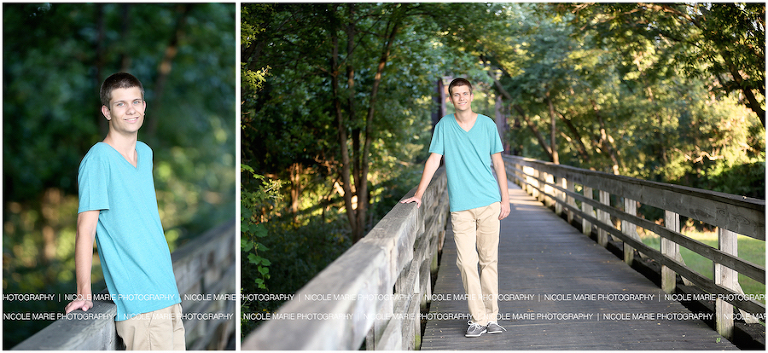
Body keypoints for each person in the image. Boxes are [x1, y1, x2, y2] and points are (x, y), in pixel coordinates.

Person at [64, 72, 186, 350]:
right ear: (106, 111)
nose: (131, 109)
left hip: (168, 294)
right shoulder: (98, 160)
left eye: (136, 101)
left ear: (144, 106)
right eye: (120, 104)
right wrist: (84, 292)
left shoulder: (145, 153)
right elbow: (86, 230)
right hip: (141, 305)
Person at [401, 77, 510, 338]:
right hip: (460, 206)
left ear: (471, 96)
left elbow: (499, 164)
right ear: (450, 99)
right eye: (456, 94)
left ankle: (491, 317)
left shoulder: (487, 124)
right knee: (465, 263)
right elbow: (434, 160)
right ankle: (477, 318)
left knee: (488, 260)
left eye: (465, 93)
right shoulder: (444, 126)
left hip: (488, 202)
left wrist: (505, 199)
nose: (461, 98)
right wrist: (418, 194)